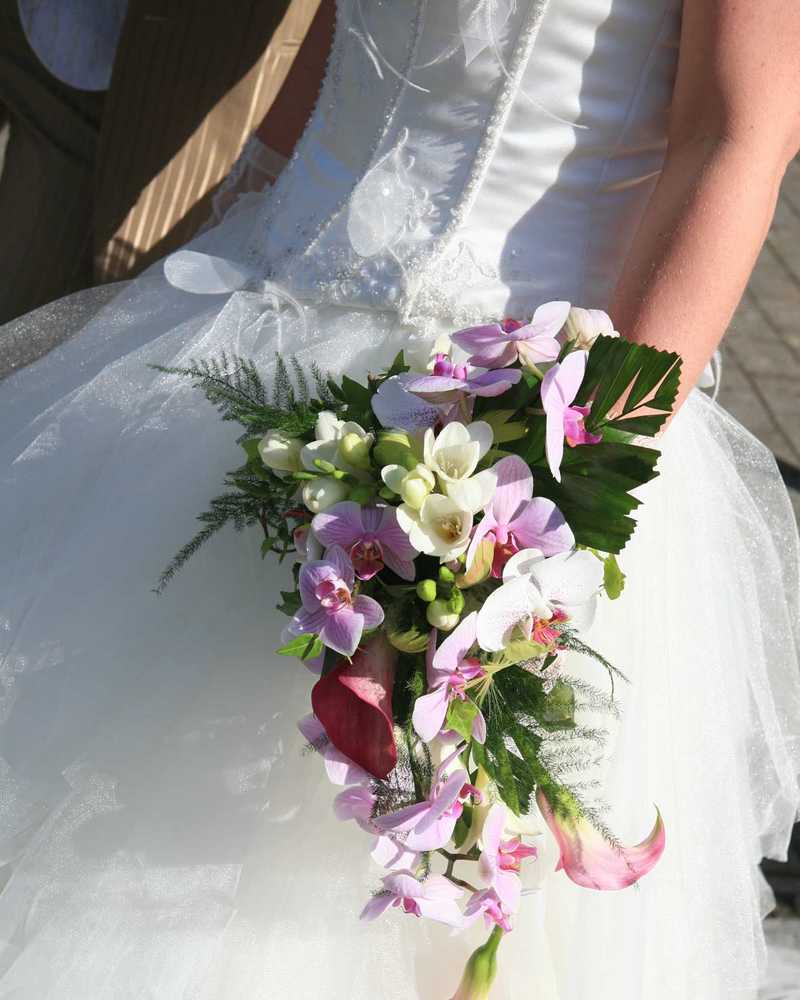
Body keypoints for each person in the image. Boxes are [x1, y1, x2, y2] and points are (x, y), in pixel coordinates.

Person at [0, 2, 798, 997]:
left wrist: (571, 476)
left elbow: (736, 133)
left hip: (509, 406)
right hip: (263, 316)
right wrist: (229, 230)